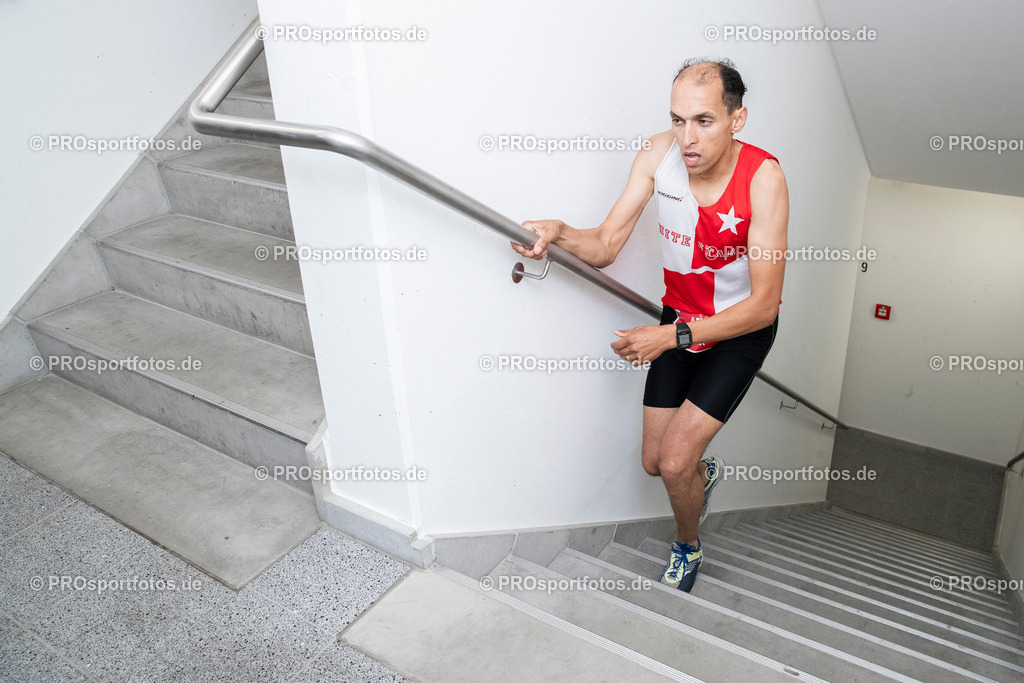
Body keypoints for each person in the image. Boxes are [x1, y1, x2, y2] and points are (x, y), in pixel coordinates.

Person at [511, 58, 788, 592]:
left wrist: (669, 337)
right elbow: (607, 245)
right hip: (679, 317)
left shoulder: (764, 178)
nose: (687, 137)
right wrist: (559, 231)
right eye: (678, 119)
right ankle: (701, 481)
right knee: (652, 463)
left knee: (676, 460)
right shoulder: (657, 155)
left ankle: (688, 546)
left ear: (738, 119)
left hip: (737, 331)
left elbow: (765, 305)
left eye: (703, 121)